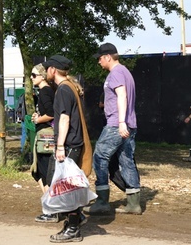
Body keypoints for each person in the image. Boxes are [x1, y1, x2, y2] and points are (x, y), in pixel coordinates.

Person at [83, 43, 142, 215]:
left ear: (108, 57)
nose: (99, 62)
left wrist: (121, 122)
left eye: (100, 58)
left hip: (117, 124)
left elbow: (122, 96)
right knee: (126, 160)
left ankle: (102, 201)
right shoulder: (125, 72)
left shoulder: (115, 73)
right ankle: (133, 204)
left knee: (100, 157)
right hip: (129, 124)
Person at [43, 55, 91, 243]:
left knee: (66, 188)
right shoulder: (70, 87)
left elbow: (64, 119)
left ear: (53, 70)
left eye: (47, 68)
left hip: (69, 144)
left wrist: (60, 146)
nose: (46, 72)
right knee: (67, 186)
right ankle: (75, 219)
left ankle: (73, 229)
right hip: (73, 143)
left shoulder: (63, 89)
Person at [29, 63, 56, 222]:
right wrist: (37, 116)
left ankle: (50, 209)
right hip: (47, 134)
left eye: (33, 75)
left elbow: (51, 113)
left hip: (46, 136)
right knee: (38, 171)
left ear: (41, 76)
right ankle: (50, 205)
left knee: (43, 172)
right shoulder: (48, 91)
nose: (31, 78)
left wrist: (39, 119)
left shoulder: (45, 92)